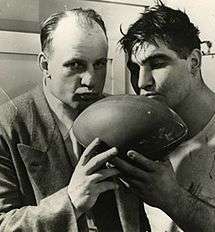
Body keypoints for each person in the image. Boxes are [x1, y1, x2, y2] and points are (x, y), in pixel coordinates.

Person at [0, 8, 149, 232]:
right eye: (76, 65)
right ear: (45, 65)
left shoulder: (121, 115)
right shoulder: (7, 125)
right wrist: (70, 201)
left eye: (99, 64)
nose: (90, 80)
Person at [111, 2, 215, 232]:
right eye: (135, 68)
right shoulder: (139, 135)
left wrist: (172, 198)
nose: (142, 83)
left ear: (194, 62)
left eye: (157, 64)